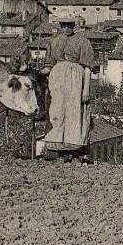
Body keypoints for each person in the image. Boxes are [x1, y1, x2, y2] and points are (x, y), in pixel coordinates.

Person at [40, 16, 94, 163]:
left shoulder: (83, 42)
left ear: (74, 25)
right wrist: (36, 73)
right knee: (58, 113)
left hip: (76, 80)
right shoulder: (53, 42)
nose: (67, 28)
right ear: (60, 25)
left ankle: (76, 153)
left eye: (69, 25)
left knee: (74, 114)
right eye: (64, 25)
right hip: (57, 81)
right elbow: (48, 66)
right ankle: (60, 153)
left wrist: (86, 90)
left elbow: (88, 67)